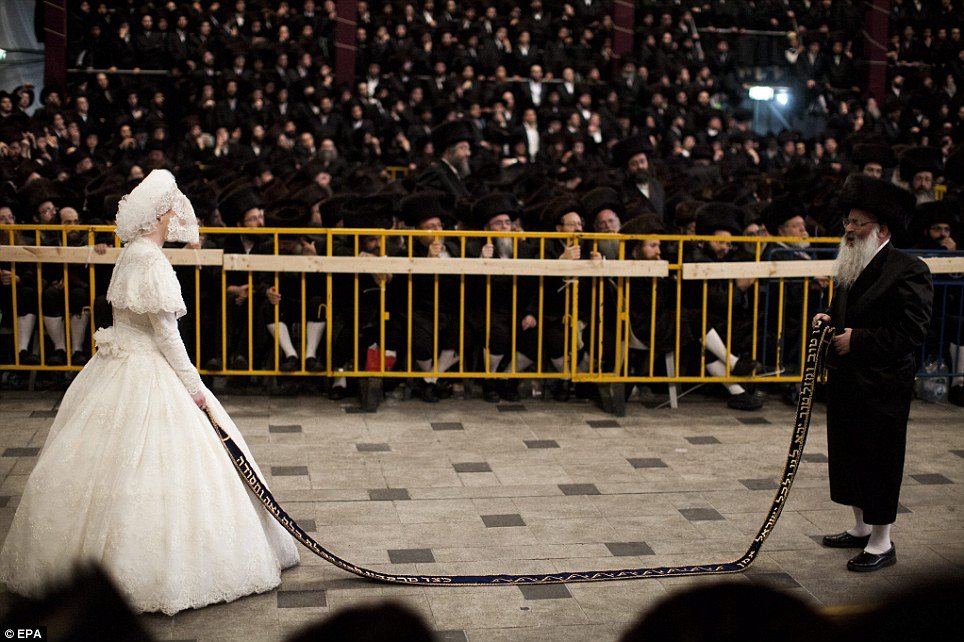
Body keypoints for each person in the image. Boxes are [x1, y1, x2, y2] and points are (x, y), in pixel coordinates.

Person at [0, 169, 299, 614]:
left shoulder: (132, 253)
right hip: (145, 368)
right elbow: (166, 334)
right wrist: (194, 387)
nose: (178, 217)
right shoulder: (151, 259)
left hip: (116, 365)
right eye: (173, 210)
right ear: (161, 213)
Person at [814, 173, 933, 572]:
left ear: (880, 229)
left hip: (883, 385)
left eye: (857, 223)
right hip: (848, 381)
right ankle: (861, 529)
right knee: (849, 457)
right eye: (847, 221)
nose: (848, 229)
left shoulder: (908, 269)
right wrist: (827, 317)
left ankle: (881, 543)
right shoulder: (851, 263)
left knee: (879, 461)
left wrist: (858, 341)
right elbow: (843, 310)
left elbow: (911, 332)